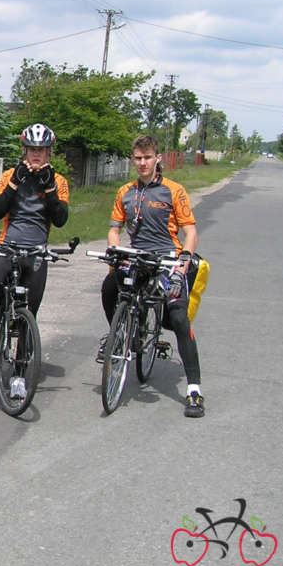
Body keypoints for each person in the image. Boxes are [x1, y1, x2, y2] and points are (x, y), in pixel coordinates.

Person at [101, 134, 204, 418]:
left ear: (157, 158)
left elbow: (190, 231)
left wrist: (184, 261)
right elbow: (114, 228)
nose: (143, 163)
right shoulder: (125, 191)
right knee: (110, 287)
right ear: (132, 159)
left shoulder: (174, 190)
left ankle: (194, 389)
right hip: (136, 255)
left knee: (180, 318)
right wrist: (113, 248)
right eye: (138, 158)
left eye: (147, 157)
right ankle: (119, 334)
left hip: (168, 258)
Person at [0, 123, 70, 363]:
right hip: (6, 246)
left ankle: (21, 375)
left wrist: (50, 188)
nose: (36, 154)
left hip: (36, 252)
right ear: (24, 150)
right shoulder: (8, 175)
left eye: (41, 149)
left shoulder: (59, 181)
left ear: (49, 152)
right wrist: (14, 183)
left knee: (29, 313)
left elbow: (60, 219)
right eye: (32, 148)